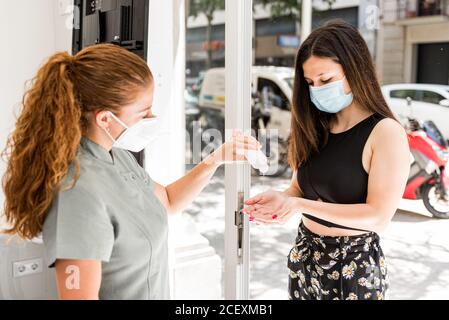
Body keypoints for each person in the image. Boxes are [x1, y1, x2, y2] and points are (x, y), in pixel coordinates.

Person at [1, 44, 260, 300]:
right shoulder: (76, 192)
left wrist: (215, 160)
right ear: (105, 119)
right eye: (143, 112)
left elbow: (168, 201)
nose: (152, 117)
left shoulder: (118, 156)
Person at [242, 20, 410, 300]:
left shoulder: (385, 133)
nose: (317, 89)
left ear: (355, 71)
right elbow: (299, 188)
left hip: (352, 270)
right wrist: (281, 201)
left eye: (326, 80)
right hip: (305, 257)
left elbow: (378, 216)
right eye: (310, 83)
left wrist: (297, 204)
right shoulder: (313, 126)